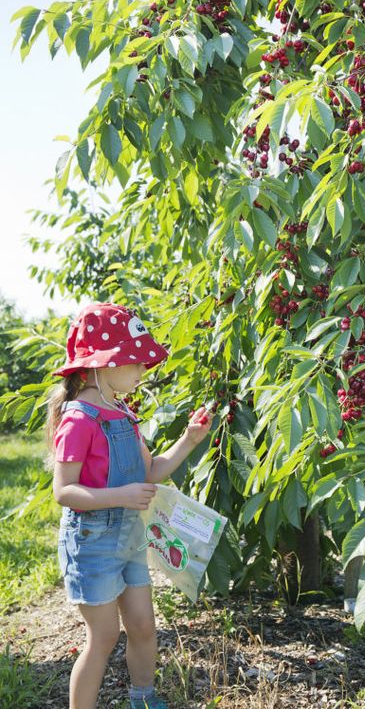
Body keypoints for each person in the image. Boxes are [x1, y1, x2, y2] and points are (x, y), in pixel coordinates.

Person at [46, 302, 213, 709]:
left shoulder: (123, 414)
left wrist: (190, 440)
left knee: (142, 625)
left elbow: (151, 471)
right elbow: (64, 491)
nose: (143, 370)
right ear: (103, 364)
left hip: (129, 539)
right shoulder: (79, 420)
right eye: (135, 361)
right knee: (103, 637)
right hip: (92, 543)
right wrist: (120, 496)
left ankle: (143, 699)